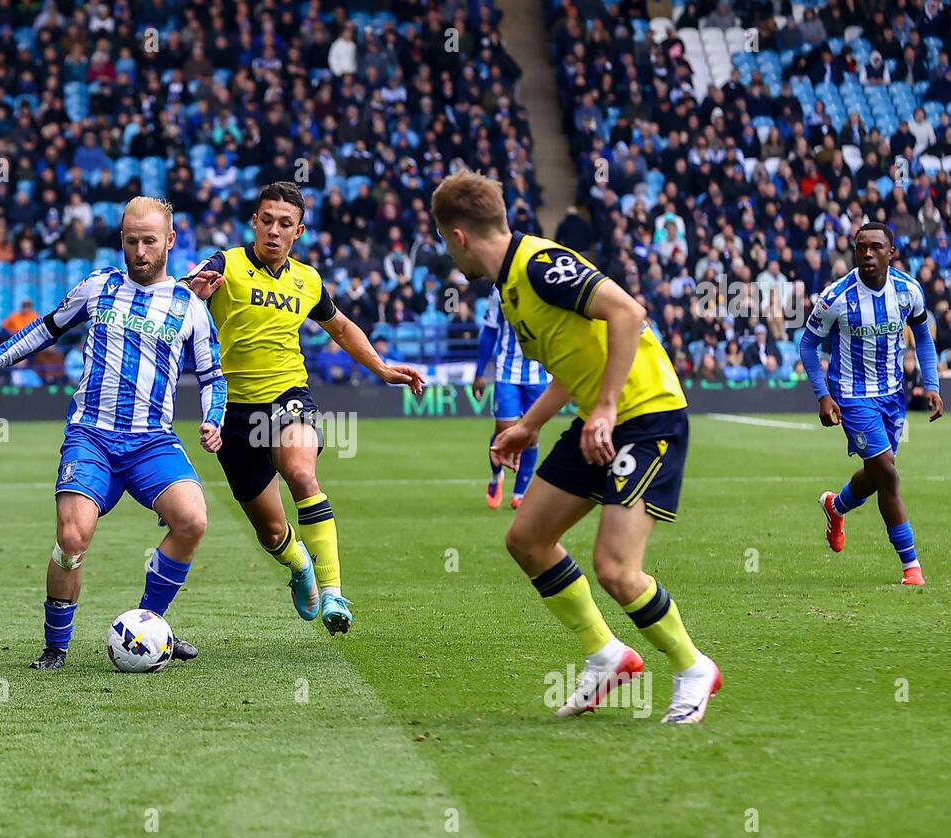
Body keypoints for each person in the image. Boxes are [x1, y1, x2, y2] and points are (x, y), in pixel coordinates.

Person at [431, 169, 721, 725]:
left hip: (646, 415)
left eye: (446, 242)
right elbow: (572, 361)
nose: (450, 255)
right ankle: (607, 656)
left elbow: (628, 314)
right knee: (528, 539)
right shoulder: (510, 286)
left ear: (459, 236)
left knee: (615, 567)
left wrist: (608, 407)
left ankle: (693, 667)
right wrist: (532, 424)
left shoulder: (540, 265)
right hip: (601, 418)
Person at [0, 197, 226, 670]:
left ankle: (151, 627)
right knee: (72, 538)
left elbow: (213, 377)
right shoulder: (99, 286)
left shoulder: (188, 307)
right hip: (92, 437)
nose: (140, 251)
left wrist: (213, 418)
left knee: (193, 520)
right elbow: (45, 328)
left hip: (151, 441)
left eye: (149, 241)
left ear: (169, 241)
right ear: (121, 241)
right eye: (131, 241)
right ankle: (55, 649)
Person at [182, 181, 425, 635]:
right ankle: (301, 567)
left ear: (299, 232)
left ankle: (333, 590)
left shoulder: (308, 280)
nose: (274, 230)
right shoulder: (224, 265)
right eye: (267, 220)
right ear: (254, 222)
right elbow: (177, 299)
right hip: (233, 413)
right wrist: (189, 293)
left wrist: (383, 368)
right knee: (272, 533)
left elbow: (342, 328)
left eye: (285, 224)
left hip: (288, 397)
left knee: (301, 472)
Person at [799, 223, 943, 586]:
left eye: (876, 247)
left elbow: (923, 338)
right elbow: (807, 345)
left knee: (878, 473)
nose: (867, 254)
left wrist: (932, 384)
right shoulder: (836, 297)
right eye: (861, 247)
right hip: (852, 395)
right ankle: (911, 566)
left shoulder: (908, 291)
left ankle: (836, 506)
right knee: (889, 474)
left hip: (893, 395)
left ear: (890, 252)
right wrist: (823, 394)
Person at [473, 288, 550, 509]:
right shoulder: (500, 289)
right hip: (507, 371)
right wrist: (479, 372)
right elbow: (489, 331)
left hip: (540, 373)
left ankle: (520, 493)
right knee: (505, 431)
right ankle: (497, 475)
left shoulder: (545, 282)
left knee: (531, 434)